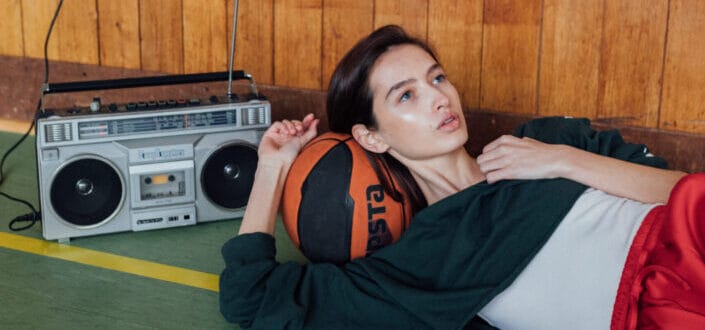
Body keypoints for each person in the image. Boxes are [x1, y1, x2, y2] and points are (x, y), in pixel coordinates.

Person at [219, 25, 705, 329]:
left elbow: (681, 190)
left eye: (437, 78)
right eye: (405, 96)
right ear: (372, 138)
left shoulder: (546, 138)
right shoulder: (418, 261)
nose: (438, 98)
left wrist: (562, 161)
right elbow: (250, 297)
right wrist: (274, 166)